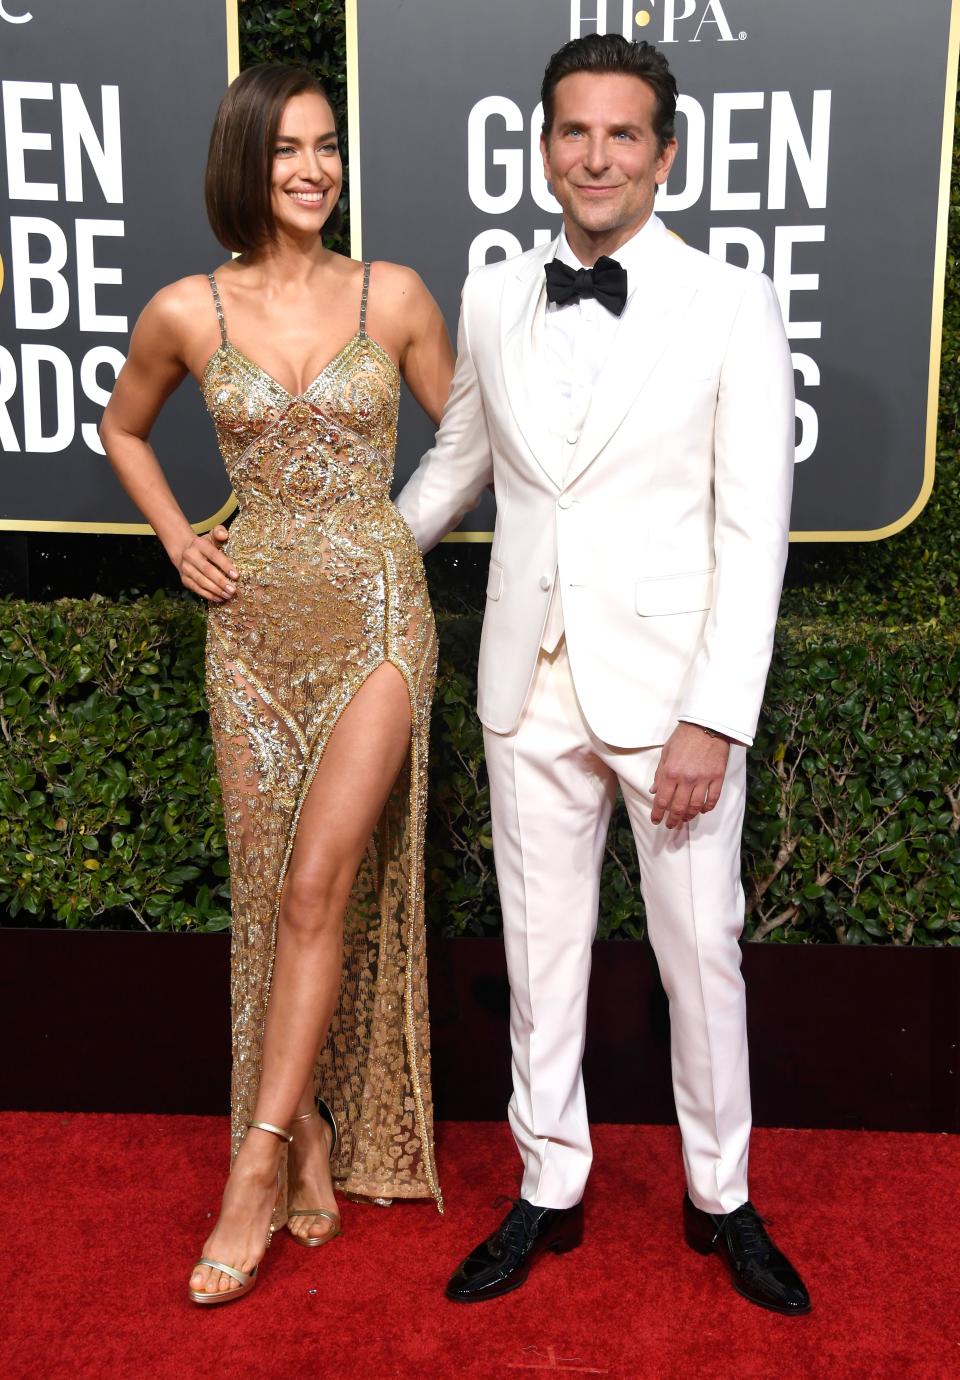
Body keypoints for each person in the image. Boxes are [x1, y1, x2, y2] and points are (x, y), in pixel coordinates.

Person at [396, 34, 810, 1315]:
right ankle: (548, 1184)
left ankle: (723, 1196)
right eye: (574, 132)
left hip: (671, 698)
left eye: (622, 134)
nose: (595, 156)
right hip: (528, 684)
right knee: (542, 954)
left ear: (665, 154)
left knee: (702, 954)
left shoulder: (728, 300)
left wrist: (712, 716)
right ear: (542, 147)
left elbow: (755, 529)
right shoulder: (493, 296)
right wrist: (341, 554)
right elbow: (457, 467)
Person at [100, 64, 453, 1305]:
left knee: (317, 885)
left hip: (375, 621)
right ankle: (301, 1128)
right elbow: (123, 426)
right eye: (288, 149)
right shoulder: (186, 310)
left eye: (327, 148)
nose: (312, 169)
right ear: (243, 163)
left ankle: (251, 1168)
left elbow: (468, 441)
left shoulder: (395, 294)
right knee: (268, 896)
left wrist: (392, 538)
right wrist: (175, 533)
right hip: (249, 629)